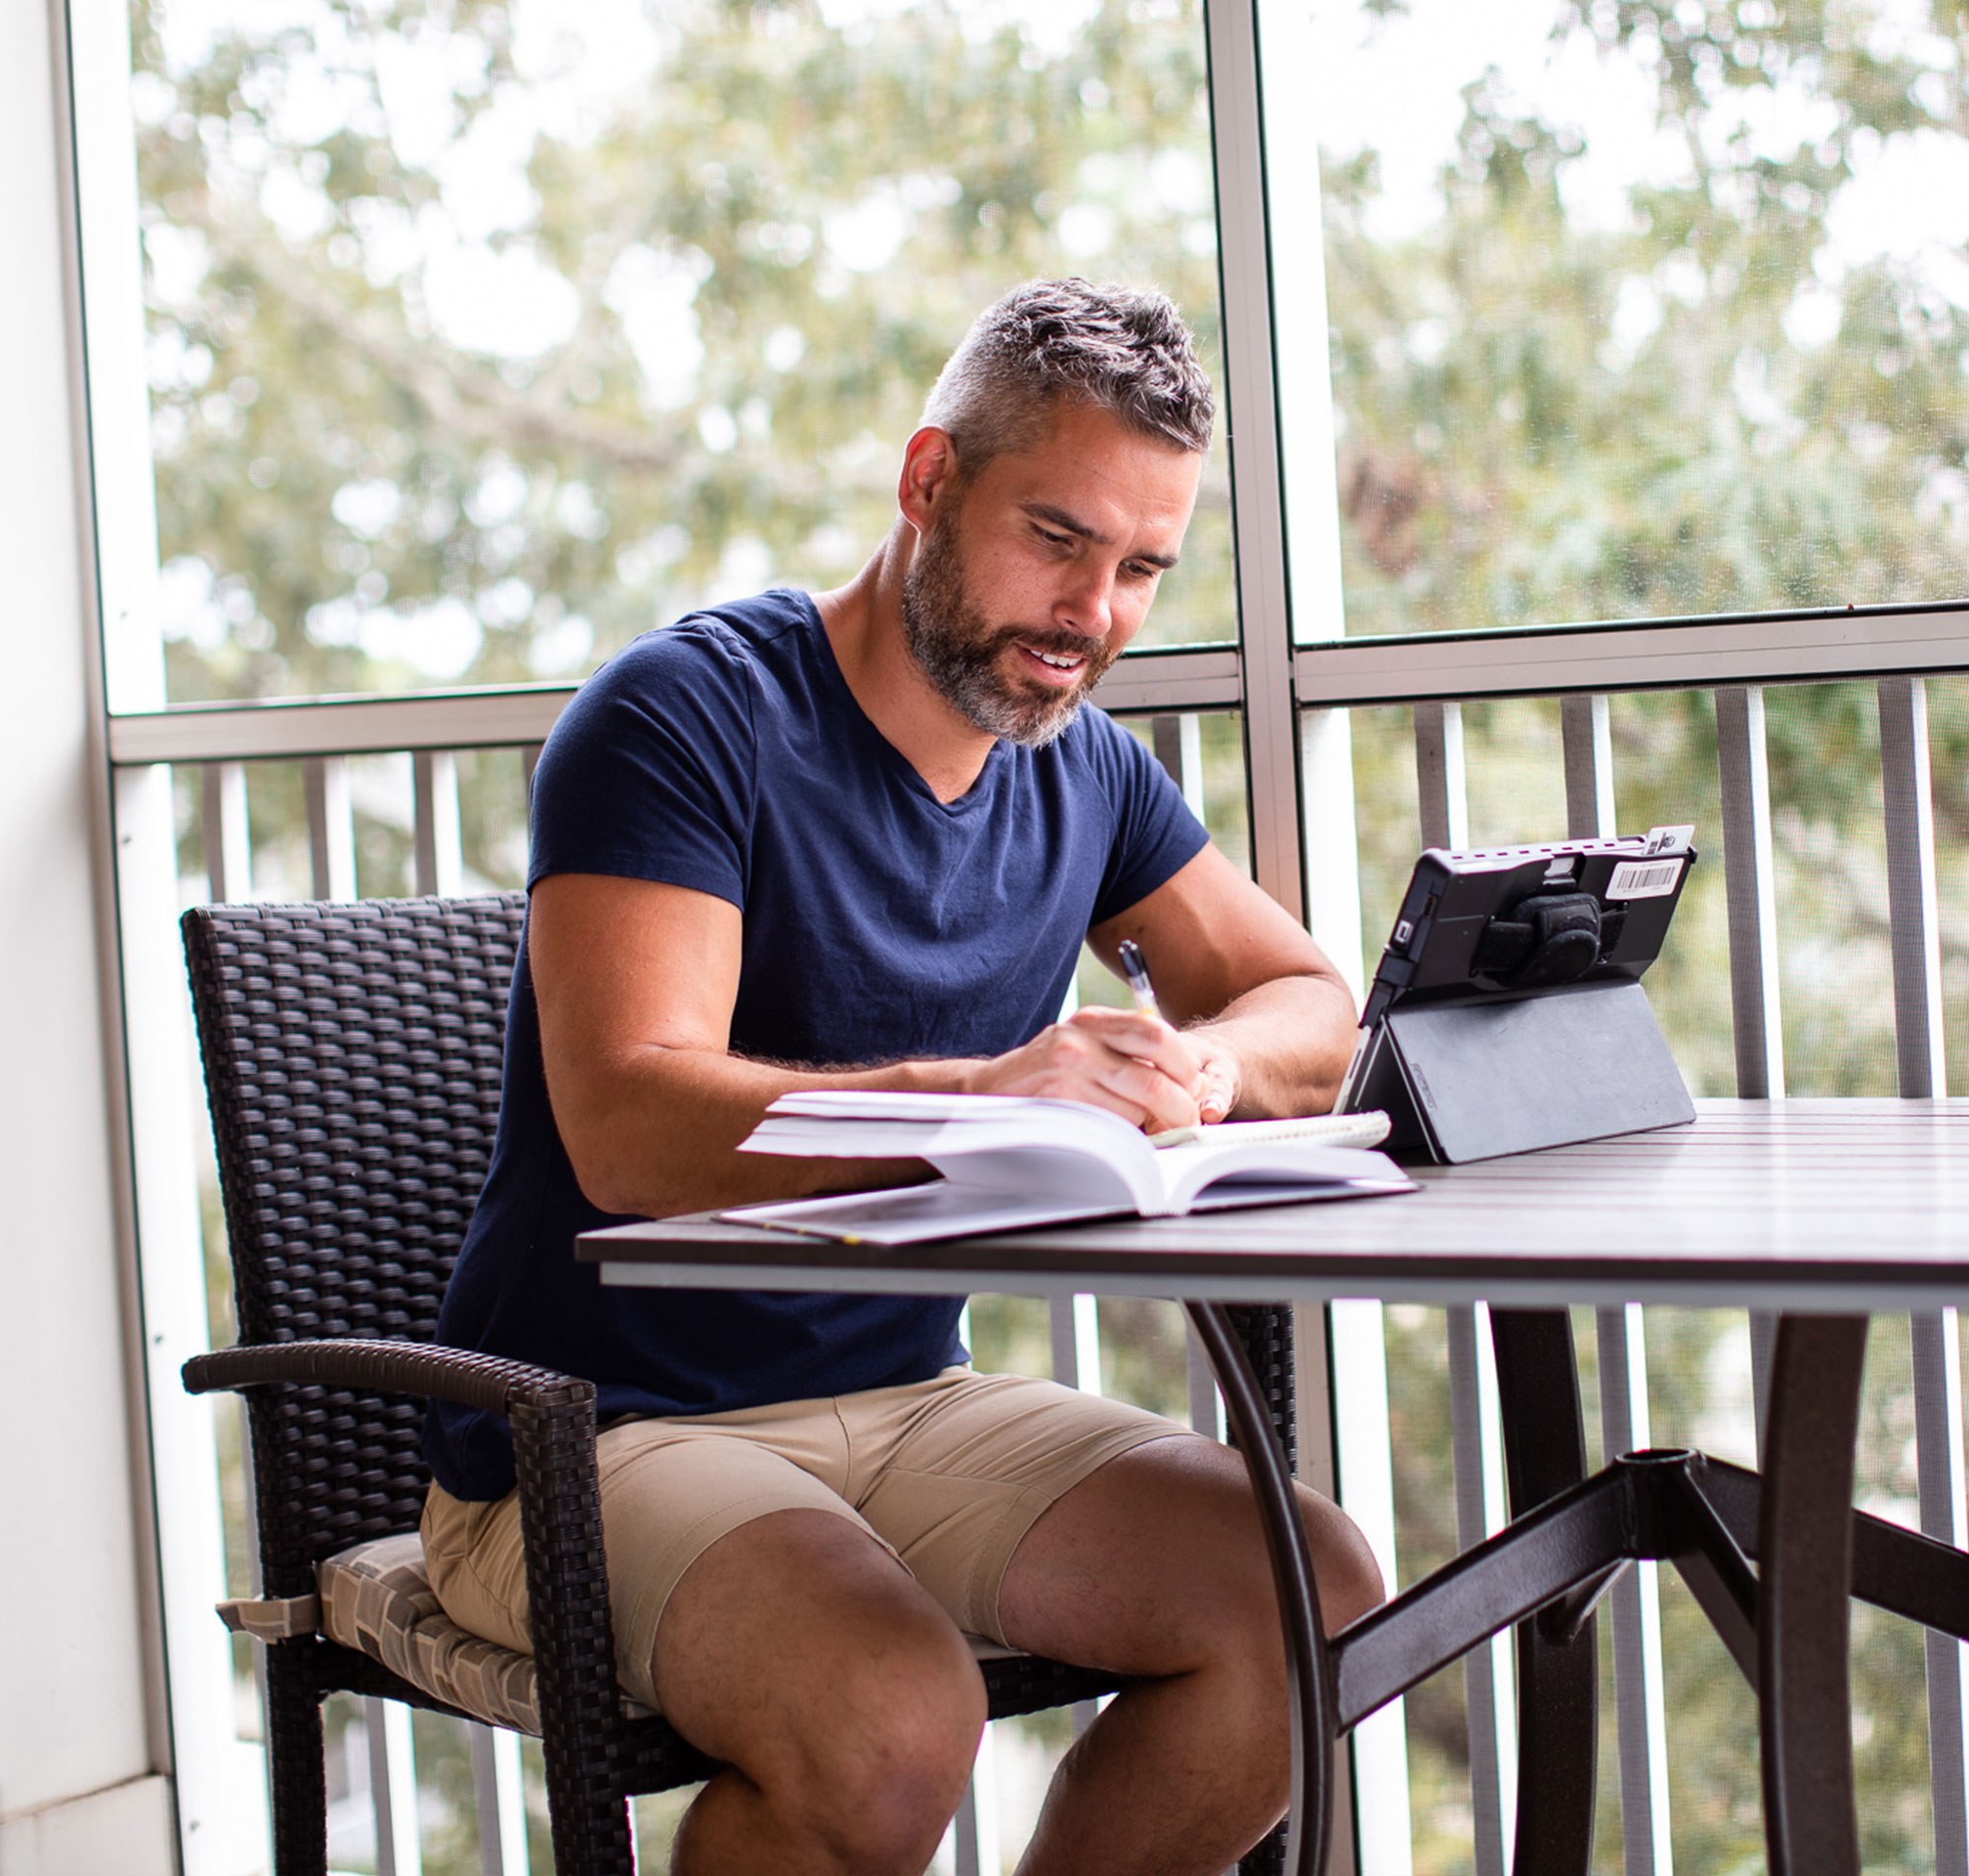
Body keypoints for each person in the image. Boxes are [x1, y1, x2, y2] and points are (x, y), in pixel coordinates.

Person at [417, 279, 1384, 1875]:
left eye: (1142, 567)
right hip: (593, 1434)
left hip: (907, 1401)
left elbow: (1311, 1002)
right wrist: (986, 1096)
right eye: (1057, 538)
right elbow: (631, 1123)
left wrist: (1193, 1065)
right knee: (889, 1719)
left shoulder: (1081, 767)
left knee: (1310, 1597)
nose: (1094, 614)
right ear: (928, 481)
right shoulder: (687, 717)